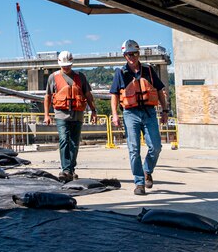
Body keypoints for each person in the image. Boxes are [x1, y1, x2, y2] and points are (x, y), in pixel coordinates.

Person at [109, 40, 169, 195]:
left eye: (134, 53)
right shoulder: (120, 73)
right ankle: (139, 182)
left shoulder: (148, 70)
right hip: (130, 114)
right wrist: (115, 115)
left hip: (149, 112)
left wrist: (165, 111)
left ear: (138, 54)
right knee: (134, 149)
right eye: (128, 54)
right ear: (124, 55)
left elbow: (160, 90)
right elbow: (114, 95)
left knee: (156, 147)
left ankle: (147, 170)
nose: (132, 57)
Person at [44, 50, 97, 182]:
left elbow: (88, 95)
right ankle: (66, 169)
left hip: (78, 114)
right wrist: (46, 114)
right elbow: (48, 97)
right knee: (63, 140)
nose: (66, 67)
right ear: (59, 64)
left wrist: (93, 110)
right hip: (61, 114)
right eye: (64, 65)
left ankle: (71, 169)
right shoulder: (53, 77)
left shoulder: (81, 76)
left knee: (74, 142)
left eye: (68, 65)